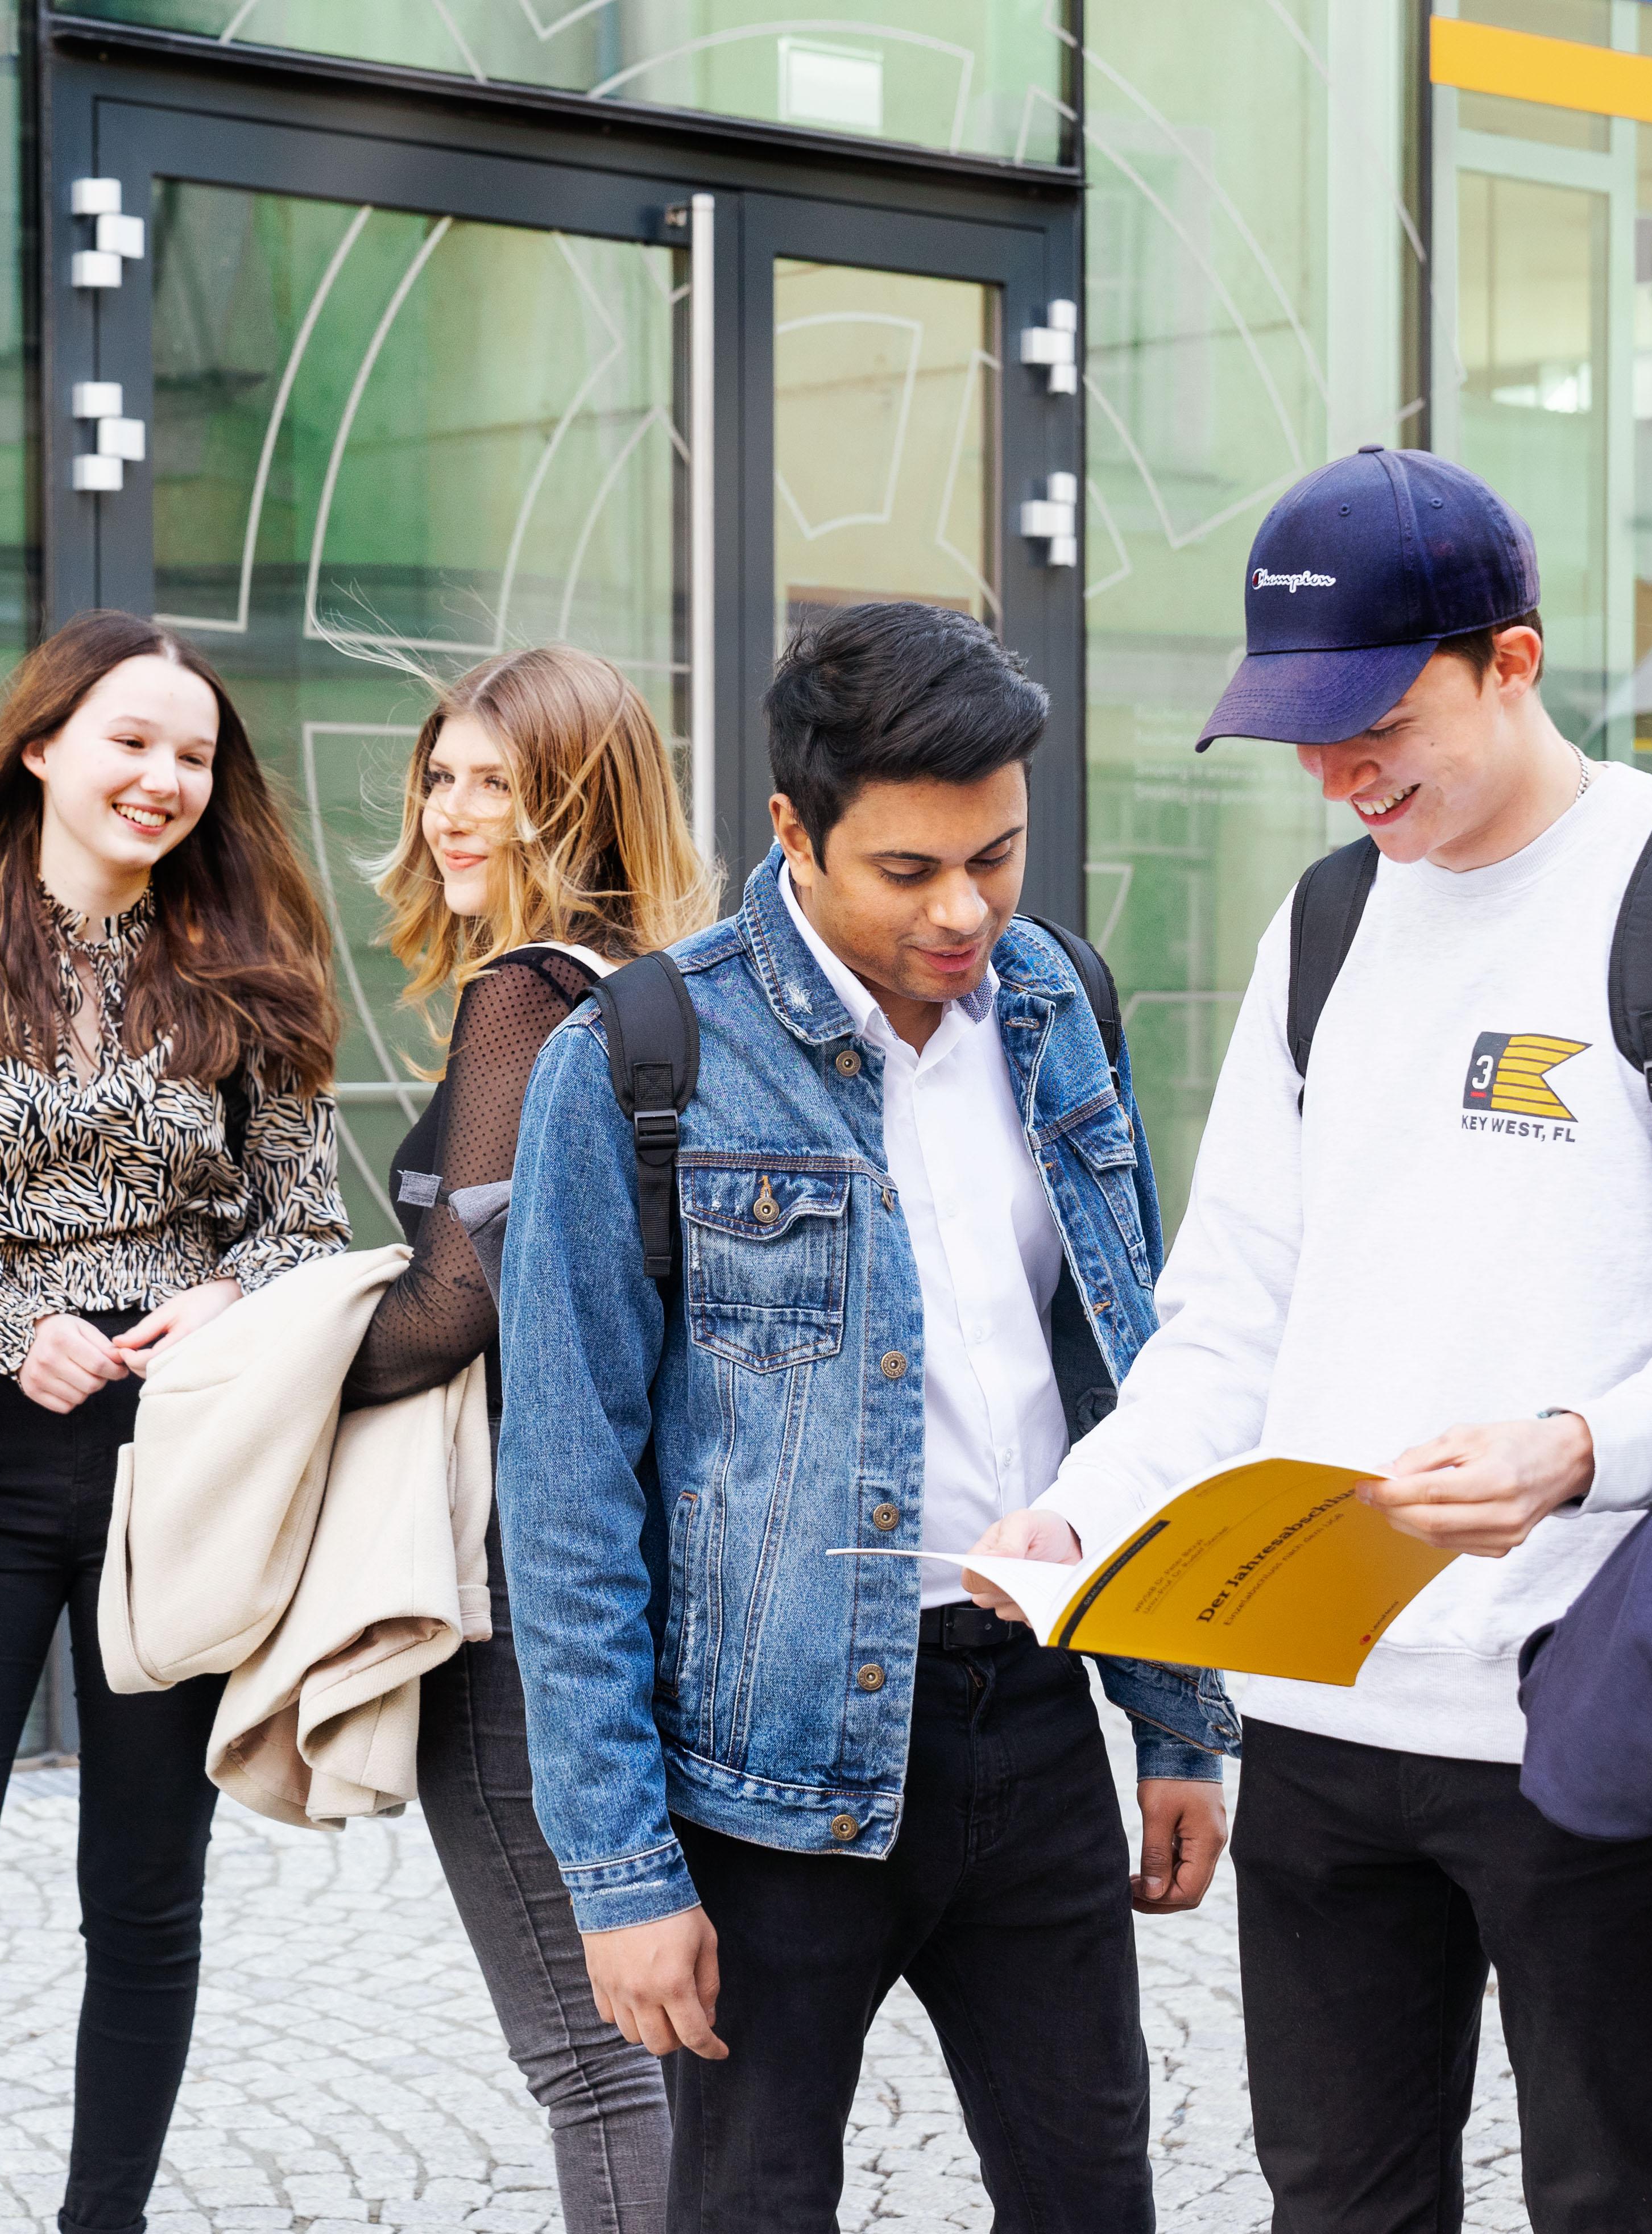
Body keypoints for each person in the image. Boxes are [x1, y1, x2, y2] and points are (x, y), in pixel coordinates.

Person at [967, 445, 1652, 2233]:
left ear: (1511, 662)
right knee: (1337, 2201)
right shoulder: (1329, 917)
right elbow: (1235, 1304)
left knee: (1612, 2195)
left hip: (1581, 1704)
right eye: (1298, 727)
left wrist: (1571, 1450)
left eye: (1374, 715)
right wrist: (1090, 1503)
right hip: (1315, 1703)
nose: (1335, 768)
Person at [492, 600, 1240, 2233]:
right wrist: (624, 1875)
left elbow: (1129, 1359)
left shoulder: (1060, 1005)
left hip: (1034, 1709)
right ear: (793, 830)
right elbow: (562, 1494)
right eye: (911, 871)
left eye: (999, 853)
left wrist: (1179, 1720)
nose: (967, 909)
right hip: (769, 1771)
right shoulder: (639, 1055)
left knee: (1093, 2199)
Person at [0, 609, 348, 2234]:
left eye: (194, 754)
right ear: (42, 745)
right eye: (130, 741)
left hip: (175, 1463)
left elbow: (301, 1224)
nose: (165, 777)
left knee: (146, 1903)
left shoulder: (249, 965)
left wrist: (233, 1297)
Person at [339, 644, 719, 2234]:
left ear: (581, 797)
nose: (452, 811)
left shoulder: (528, 993)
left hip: (519, 1580)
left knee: (588, 2048)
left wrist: (255, 1360)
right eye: (441, 776)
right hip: (663, 1545)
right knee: (680, 2031)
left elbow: (455, 1307)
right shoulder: (678, 991)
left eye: (500, 779)